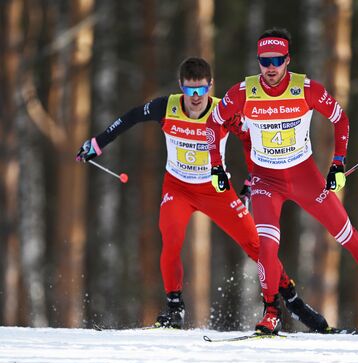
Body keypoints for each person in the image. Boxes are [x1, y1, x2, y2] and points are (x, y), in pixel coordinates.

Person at [76, 57, 329, 331]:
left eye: (201, 89)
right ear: (181, 88)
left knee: (257, 246)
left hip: (216, 190)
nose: (196, 97)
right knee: (170, 239)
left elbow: (251, 140)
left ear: (210, 86)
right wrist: (97, 143)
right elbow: (131, 117)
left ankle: (293, 300)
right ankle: (174, 308)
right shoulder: (167, 107)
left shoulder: (223, 111)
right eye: (189, 90)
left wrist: (252, 177)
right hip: (179, 188)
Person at [206, 28, 358, 335]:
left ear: (287, 60)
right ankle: (271, 312)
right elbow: (212, 124)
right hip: (266, 180)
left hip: (304, 176)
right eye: (264, 60)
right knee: (267, 247)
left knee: (347, 235)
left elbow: (340, 119)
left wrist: (337, 164)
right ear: (258, 61)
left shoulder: (305, 89)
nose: (270, 67)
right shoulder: (243, 92)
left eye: (277, 60)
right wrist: (217, 167)